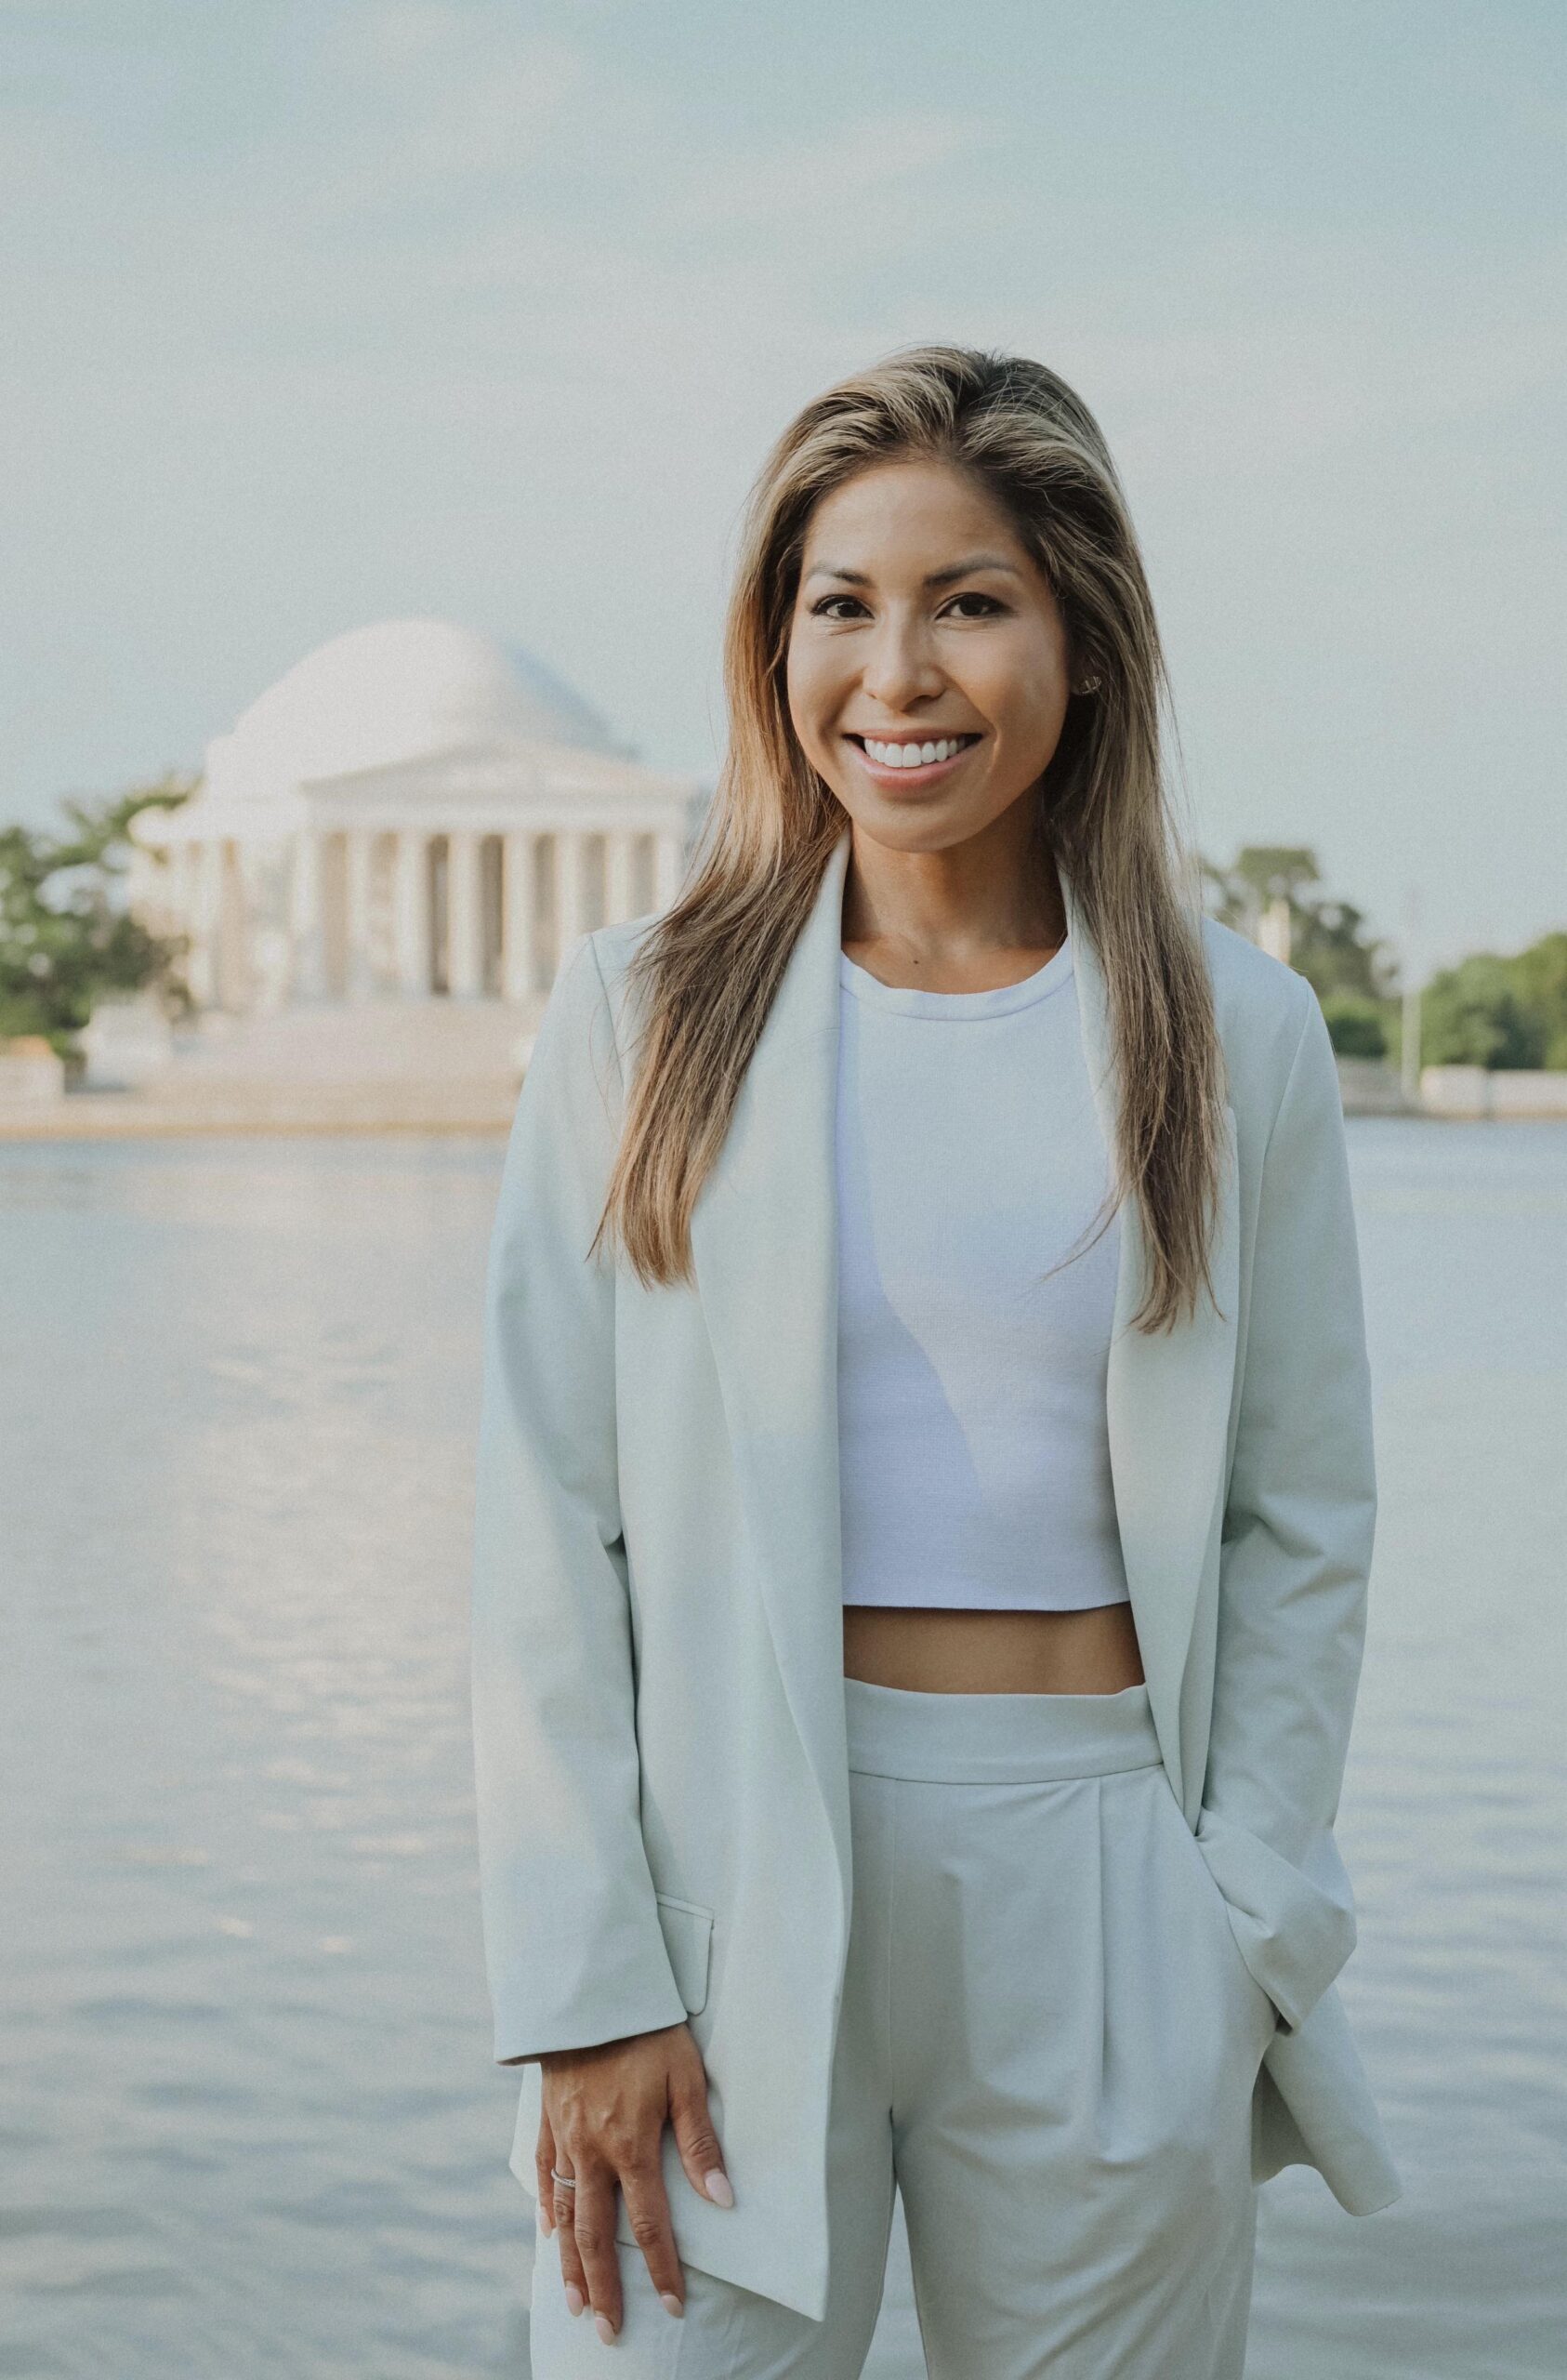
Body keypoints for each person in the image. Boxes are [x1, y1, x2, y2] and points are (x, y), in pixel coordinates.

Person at [469, 344, 1400, 2379]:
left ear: (1082, 638)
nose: (897, 673)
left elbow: (1299, 1517)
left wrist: (1236, 1927)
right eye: (841, 604)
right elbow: (542, 1516)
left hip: (1106, 1889)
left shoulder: (1236, 1033)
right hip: (715, 1903)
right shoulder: (639, 1014)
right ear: (775, 643)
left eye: (969, 601)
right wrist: (588, 1976)